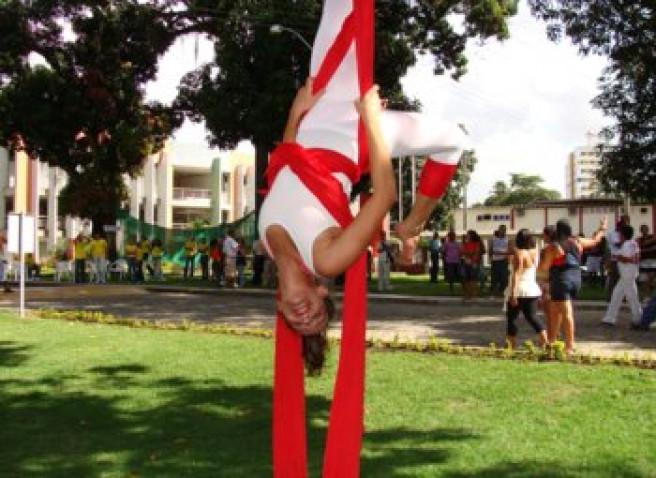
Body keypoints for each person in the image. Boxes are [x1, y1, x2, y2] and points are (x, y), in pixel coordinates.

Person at [539, 217, 607, 354]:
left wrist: (542, 283)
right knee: (554, 311)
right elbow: (595, 241)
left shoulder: (553, 247)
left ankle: (569, 346)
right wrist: (602, 228)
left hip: (561, 280)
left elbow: (544, 268)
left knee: (565, 313)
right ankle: (551, 342)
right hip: (576, 279)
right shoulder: (577, 241)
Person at [505, 229, 547, 348]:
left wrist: (513, 294)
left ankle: (511, 344)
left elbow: (516, 274)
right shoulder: (535, 252)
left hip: (520, 289)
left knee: (512, 318)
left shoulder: (520, 253)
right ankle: (545, 340)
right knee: (532, 317)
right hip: (532, 288)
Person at [601, 224, 642, 326]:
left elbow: (628, 259)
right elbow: (634, 258)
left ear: (623, 235)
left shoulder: (627, 245)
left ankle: (639, 318)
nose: (618, 235)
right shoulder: (633, 243)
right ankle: (609, 318)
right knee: (616, 295)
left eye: (620, 234)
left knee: (632, 296)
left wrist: (617, 257)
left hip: (627, 274)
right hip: (628, 274)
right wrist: (616, 257)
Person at [606, 214, 630, 300]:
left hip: (625, 259)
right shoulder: (613, 234)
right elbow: (618, 244)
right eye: (625, 223)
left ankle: (622, 297)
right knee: (614, 279)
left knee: (624, 279)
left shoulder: (624, 234)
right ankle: (610, 297)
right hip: (615, 260)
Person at [461, 230, 484, 299]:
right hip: (466, 262)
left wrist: (473, 261)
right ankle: (468, 294)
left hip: (473, 263)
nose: (467, 235)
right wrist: (467, 255)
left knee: (473, 279)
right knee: (466, 279)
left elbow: (476, 253)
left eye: (468, 234)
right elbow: (463, 252)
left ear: (472, 235)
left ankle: (474, 294)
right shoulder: (465, 243)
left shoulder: (477, 243)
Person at [489, 225, 509, 296]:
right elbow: (490, 249)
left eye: (504, 230)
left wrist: (503, 254)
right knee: (494, 278)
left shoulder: (507, 239)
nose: (503, 231)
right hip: (495, 261)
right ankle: (493, 293)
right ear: (499, 230)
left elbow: (509, 250)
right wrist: (490, 257)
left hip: (503, 260)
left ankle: (503, 292)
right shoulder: (493, 239)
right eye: (501, 230)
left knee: (504, 277)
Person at [637, 224, 656, 298]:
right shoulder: (639, 239)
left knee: (651, 279)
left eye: (646, 229)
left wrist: (644, 249)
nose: (645, 230)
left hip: (653, 261)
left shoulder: (652, 237)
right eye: (643, 229)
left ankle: (651, 295)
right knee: (644, 280)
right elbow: (639, 249)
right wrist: (649, 248)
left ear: (648, 230)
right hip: (643, 262)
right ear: (641, 230)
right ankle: (647, 296)